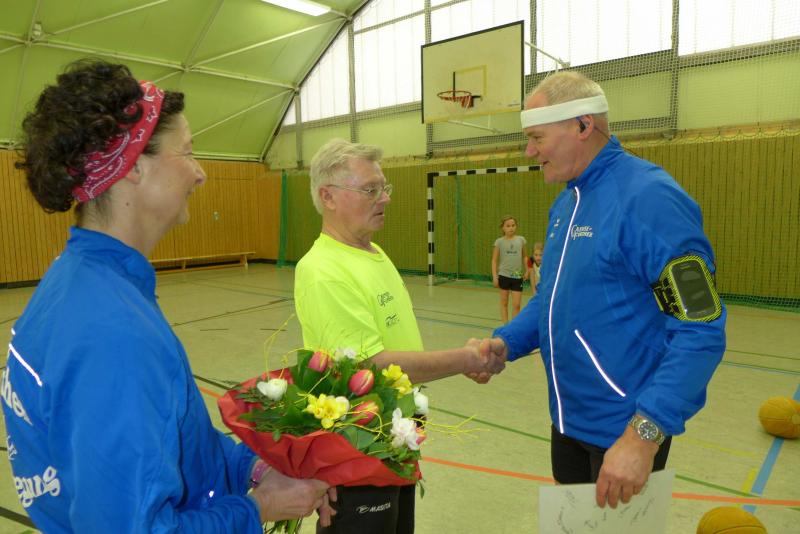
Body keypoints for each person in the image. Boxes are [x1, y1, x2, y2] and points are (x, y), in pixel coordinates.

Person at [1, 59, 334, 532]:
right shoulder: (114, 331)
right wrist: (259, 508)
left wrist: (253, 468)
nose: (200, 174)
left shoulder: (85, 281)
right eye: (188, 152)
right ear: (135, 166)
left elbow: (177, 441)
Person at [478, 71, 726, 509]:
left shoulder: (649, 198)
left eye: (536, 138)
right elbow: (552, 299)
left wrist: (644, 435)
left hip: (626, 429)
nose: (529, 151)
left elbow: (699, 328)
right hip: (568, 420)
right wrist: (506, 342)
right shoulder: (566, 205)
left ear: (582, 125)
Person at [294, 138, 505, 533]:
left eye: (384, 187)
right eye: (370, 189)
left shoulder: (373, 253)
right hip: (357, 448)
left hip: (394, 440)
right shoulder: (322, 269)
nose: (385, 198)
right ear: (328, 196)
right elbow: (369, 366)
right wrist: (466, 359)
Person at [491, 215, 529, 322]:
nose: (511, 228)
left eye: (513, 225)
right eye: (508, 226)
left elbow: (525, 256)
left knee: (517, 305)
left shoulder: (521, 240)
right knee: (504, 303)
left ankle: (513, 327)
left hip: (517, 275)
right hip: (504, 275)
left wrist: (527, 270)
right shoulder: (499, 242)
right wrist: (495, 276)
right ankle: (506, 327)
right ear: (503, 228)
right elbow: (494, 260)